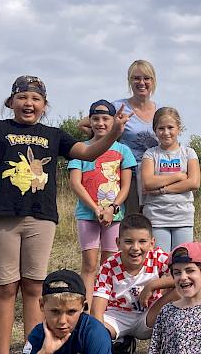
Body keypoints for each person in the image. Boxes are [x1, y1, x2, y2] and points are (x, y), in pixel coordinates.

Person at [0, 75, 129, 354]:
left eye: (35, 98)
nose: (29, 103)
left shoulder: (55, 135)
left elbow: (87, 152)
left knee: (35, 288)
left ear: (44, 105)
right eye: (23, 97)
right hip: (4, 216)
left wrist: (112, 134)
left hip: (42, 217)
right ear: (11, 101)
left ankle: (32, 349)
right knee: (5, 287)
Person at [68, 100, 137, 306]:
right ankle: (86, 308)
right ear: (89, 122)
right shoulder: (79, 149)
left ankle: (106, 308)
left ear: (113, 121)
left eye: (105, 119)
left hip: (114, 216)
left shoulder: (123, 150)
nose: (100, 123)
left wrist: (112, 208)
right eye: (95, 119)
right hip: (87, 214)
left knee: (109, 264)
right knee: (89, 264)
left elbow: (126, 186)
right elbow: (75, 183)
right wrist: (96, 208)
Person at [79, 60, 160, 214]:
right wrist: (106, 142)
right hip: (127, 173)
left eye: (146, 78)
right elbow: (85, 124)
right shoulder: (118, 107)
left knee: (153, 220)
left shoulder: (160, 111)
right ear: (130, 81)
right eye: (136, 78)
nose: (141, 82)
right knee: (132, 218)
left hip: (153, 175)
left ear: (153, 81)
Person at [91, 214, 175, 354]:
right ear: (118, 243)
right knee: (92, 328)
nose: (135, 248)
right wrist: (97, 337)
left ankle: (169, 345)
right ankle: (119, 344)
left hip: (149, 315)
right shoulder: (109, 266)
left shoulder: (158, 258)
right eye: (129, 241)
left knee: (181, 290)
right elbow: (97, 311)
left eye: (142, 241)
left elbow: (187, 276)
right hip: (117, 317)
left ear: (152, 243)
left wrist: (152, 285)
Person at [140, 107, 201, 251]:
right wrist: (178, 176)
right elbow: (148, 182)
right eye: (161, 128)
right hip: (156, 217)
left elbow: (194, 182)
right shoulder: (150, 154)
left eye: (170, 127)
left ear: (179, 128)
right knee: (161, 262)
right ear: (155, 130)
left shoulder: (189, 153)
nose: (166, 132)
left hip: (183, 216)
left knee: (181, 260)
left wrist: (163, 189)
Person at [23, 270, 112, 354]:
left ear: (83, 306)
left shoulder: (95, 334)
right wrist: (45, 351)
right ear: (42, 305)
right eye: (55, 311)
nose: (62, 321)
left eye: (71, 311)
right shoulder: (38, 334)